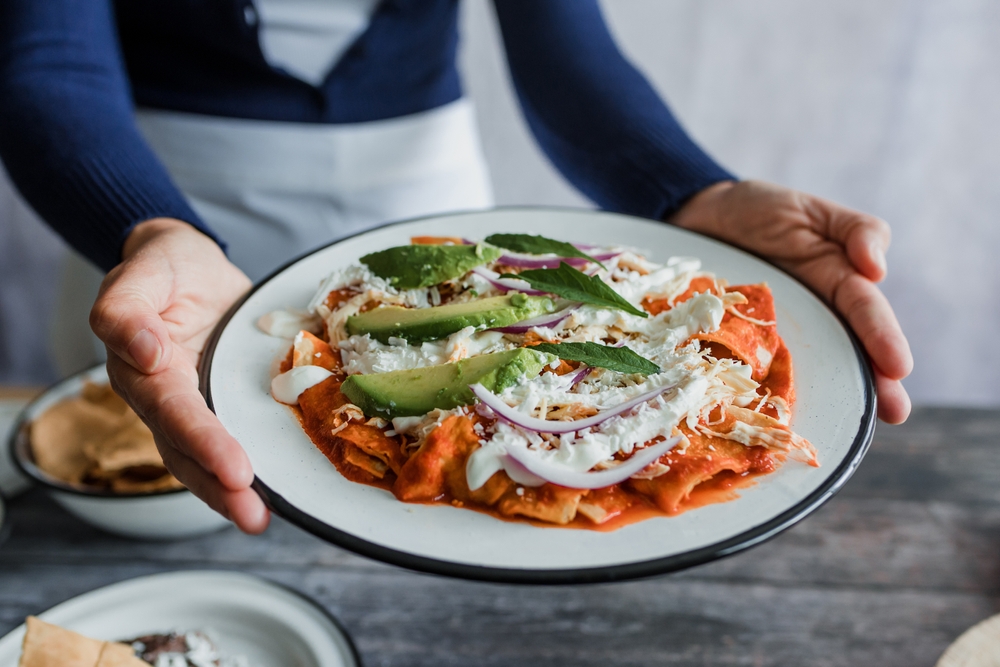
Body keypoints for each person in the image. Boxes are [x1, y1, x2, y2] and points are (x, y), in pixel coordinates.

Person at [0, 0, 912, 534]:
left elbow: (564, 48)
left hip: (438, 214)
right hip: (168, 219)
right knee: (172, 526)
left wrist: (691, 190)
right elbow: (47, 56)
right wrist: (146, 227)